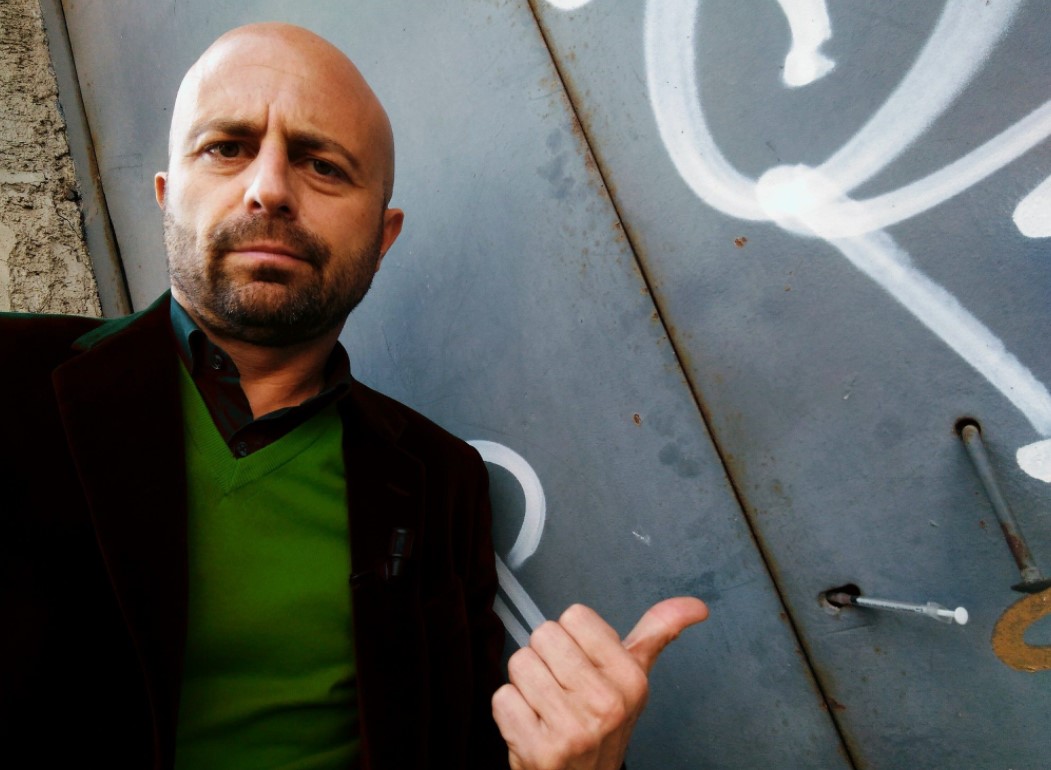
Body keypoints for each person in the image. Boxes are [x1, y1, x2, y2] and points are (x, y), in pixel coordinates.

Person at [0, 22, 707, 770]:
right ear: (168, 196)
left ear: (382, 235)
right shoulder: (13, 376)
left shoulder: (439, 482)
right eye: (227, 148)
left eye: (323, 165)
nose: (269, 189)